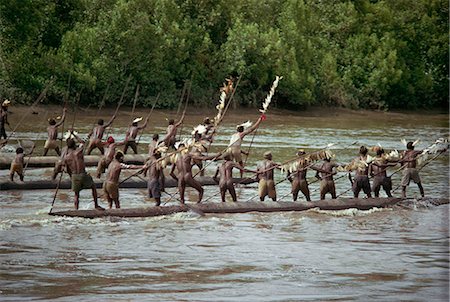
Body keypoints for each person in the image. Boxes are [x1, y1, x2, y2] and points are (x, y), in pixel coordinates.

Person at [63, 136, 104, 210]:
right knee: (93, 187)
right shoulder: (79, 151)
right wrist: (75, 135)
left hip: (74, 175)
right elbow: (82, 142)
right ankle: (96, 205)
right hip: (83, 174)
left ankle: (76, 209)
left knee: (76, 195)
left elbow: (67, 170)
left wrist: (71, 177)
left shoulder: (66, 158)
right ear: (74, 145)